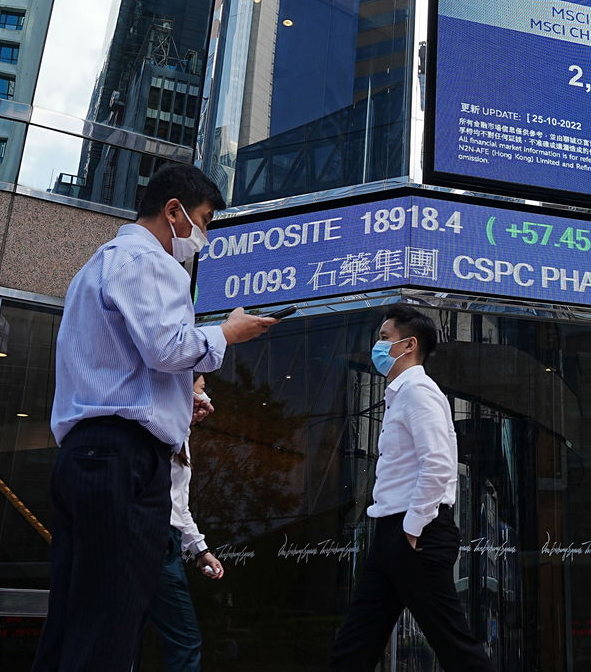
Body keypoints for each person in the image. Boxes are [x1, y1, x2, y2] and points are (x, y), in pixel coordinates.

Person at [32, 164, 276, 672]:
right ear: (173, 211)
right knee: (114, 614)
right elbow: (167, 347)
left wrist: (183, 399)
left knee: (77, 613)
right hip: (124, 460)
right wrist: (228, 332)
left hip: (87, 455)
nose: (202, 235)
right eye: (204, 220)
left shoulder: (97, 266)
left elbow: (127, 366)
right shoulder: (150, 261)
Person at [327, 305, 495, 672]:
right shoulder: (399, 394)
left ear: (409, 345)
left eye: (384, 338)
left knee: (454, 644)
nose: (378, 345)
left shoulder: (419, 391)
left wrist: (413, 528)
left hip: (416, 532)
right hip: (392, 531)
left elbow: (437, 463)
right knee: (357, 639)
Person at [144, 374, 227, 672]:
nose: (208, 400)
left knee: (131, 633)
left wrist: (201, 549)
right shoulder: (159, 428)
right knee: (185, 640)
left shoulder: (180, 436)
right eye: (203, 390)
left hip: (166, 539)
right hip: (154, 542)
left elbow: (179, 505)